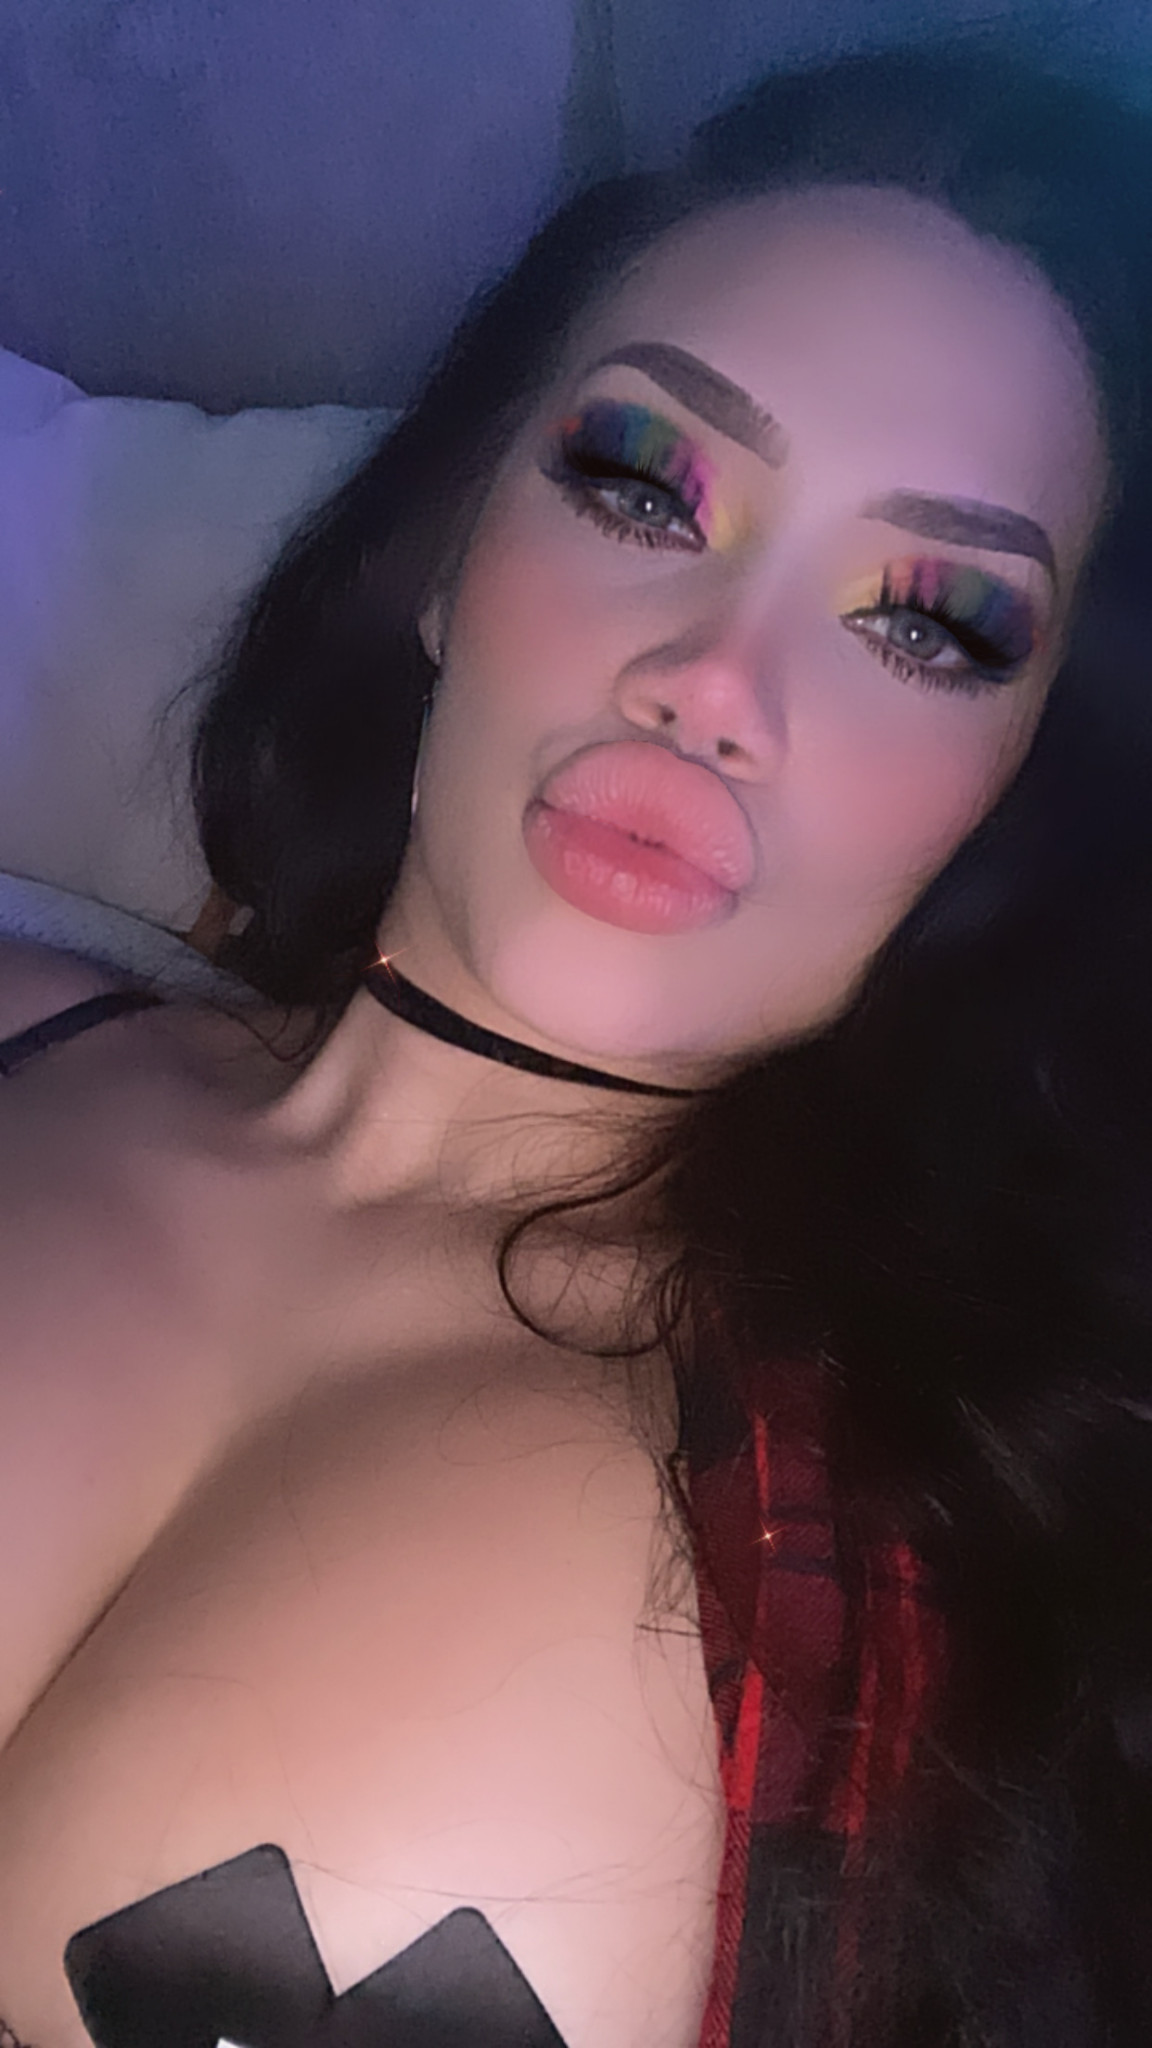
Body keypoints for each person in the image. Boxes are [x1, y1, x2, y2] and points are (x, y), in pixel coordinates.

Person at [1, 34, 1151, 2047]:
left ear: (1016, 791)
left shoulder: (929, 1594)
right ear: (448, 556)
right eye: (642, 482)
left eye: (931, 621)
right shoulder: (38, 1016)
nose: (714, 680)